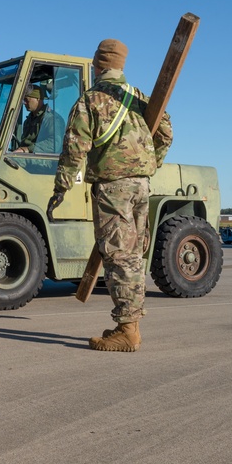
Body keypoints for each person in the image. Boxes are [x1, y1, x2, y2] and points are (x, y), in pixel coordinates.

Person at [47, 39, 172, 352]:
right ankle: (128, 325)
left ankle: (128, 331)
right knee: (133, 255)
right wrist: (150, 161)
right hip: (141, 185)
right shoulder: (139, 97)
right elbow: (166, 131)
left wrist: (60, 189)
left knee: (118, 255)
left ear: (97, 65)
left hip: (113, 187)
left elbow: (75, 147)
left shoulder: (91, 100)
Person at [14, 85, 64, 154]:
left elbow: (55, 143)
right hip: (29, 157)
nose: (24, 103)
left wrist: (28, 149)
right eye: (23, 100)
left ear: (38, 98)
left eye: (26, 99)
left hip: (45, 160)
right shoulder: (27, 121)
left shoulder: (51, 119)